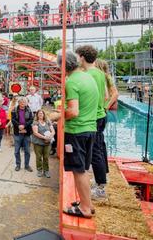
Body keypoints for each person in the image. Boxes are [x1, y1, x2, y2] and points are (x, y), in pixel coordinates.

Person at [59, 50, 98, 219]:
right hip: (90, 128)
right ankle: (86, 202)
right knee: (84, 169)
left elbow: (73, 111)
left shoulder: (72, 82)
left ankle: (85, 209)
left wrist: (59, 115)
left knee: (78, 170)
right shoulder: (88, 76)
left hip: (77, 131)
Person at [76, 45, 108, 199]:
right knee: (98, 149)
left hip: (93, 116)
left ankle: (101, 188)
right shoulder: (100, 73)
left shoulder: (89, 74)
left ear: (82, 57)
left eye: (77, 56)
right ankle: (99, 181)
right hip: (100, 114)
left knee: (95, 152)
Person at [11, 97, 34, 172]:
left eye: (24, 102)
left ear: (26, 103)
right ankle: (18, 165)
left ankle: (27, 165)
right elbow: (13, 120)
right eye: (21, 102)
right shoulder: (14, 110)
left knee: (27, 150)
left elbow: (31, 120)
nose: (22, 103)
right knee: (16, 151)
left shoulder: (29, 110)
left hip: (27, 132)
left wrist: (24, 126)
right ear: (19, 102)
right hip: (17, 132)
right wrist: (19, 126)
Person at [31, 110, 55, 178]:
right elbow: (35, 133)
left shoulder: (48, 121)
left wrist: (51, 136)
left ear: (44, 114)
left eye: (42, 113)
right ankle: (39, 170)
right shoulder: (35, 122)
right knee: (38, 157)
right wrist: (44, 137)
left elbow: (53, 130)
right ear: (37, 115)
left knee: (46, 157)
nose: (41, 114)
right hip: (38, 143)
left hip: (47, 143)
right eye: (39, 113)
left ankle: (46, 171)